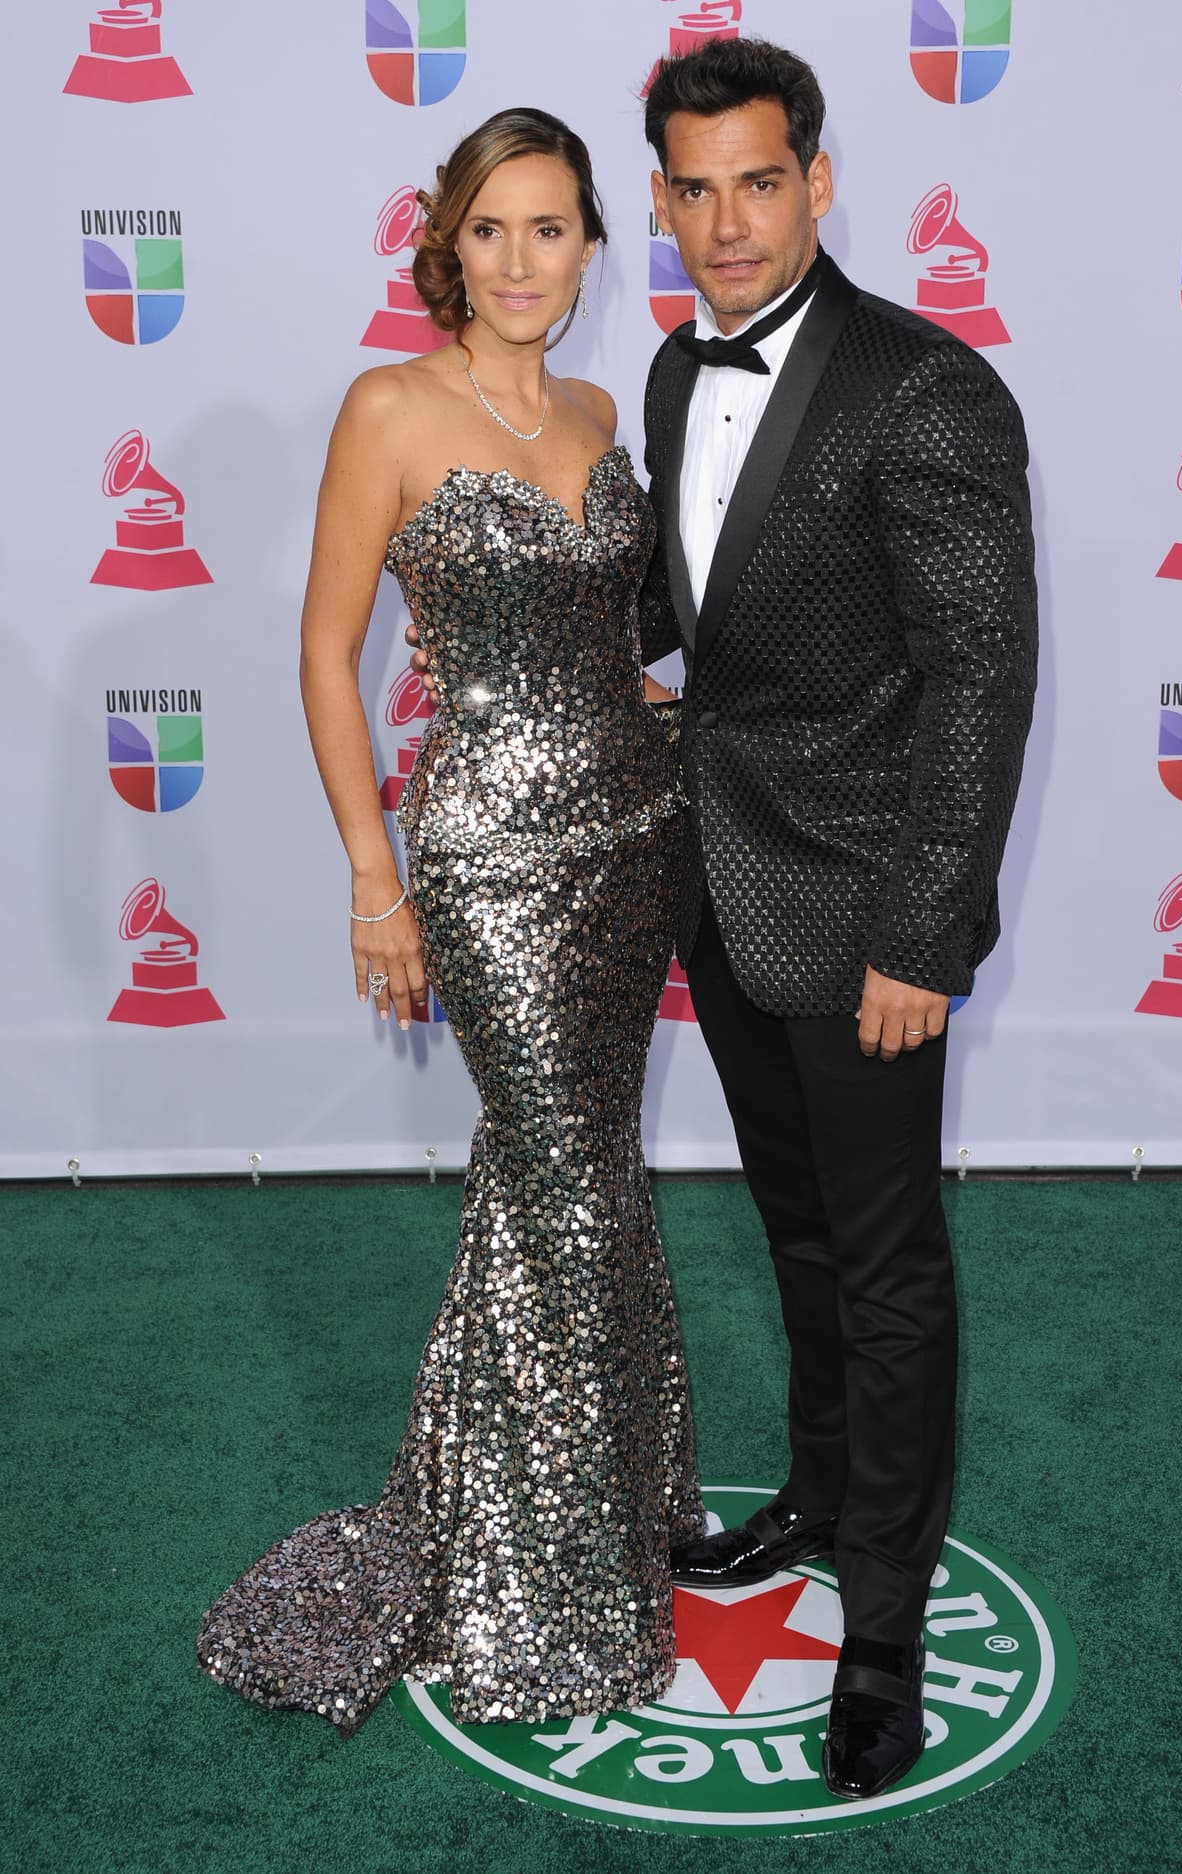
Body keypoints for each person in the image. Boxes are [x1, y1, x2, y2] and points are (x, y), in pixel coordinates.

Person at [196, 108, 704, 1736]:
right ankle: (540, 1586)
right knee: (561, 1168)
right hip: (487, 854)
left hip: (636, 837)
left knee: (581, 1168)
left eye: (550, 228)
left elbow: (602, 638)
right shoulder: (391, 406)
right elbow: (325, 649)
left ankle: (598, 1516)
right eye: (490, 229)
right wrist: (373, 873)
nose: (520, 261)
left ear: (591, 244)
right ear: (447, 242)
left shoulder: (603, 407)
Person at [637, 39, 1038, 1800]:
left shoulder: (928, 388)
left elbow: (978, 684)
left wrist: (923, 934)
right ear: (662, 201)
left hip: (870, 914)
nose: (729, 223)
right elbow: (702, 626)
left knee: (887, 1269)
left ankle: (880, 1632)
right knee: (796, 1234)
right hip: (721, 893)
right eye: (697, 189)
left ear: (819, 178)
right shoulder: (667, 369)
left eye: (760, 181)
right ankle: (814, 1492)